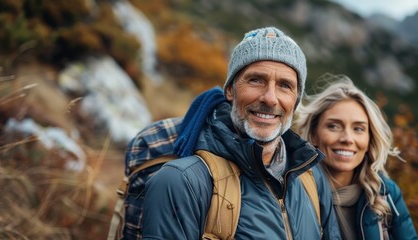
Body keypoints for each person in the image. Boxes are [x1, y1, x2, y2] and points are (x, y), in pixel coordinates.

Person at [141, 26, 342, 239]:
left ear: (296, 101)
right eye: (256, 80)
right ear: (230, 90)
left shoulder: (311, 177)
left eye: (285, 85)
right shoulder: (181, 182)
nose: (270, 98)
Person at [294, 74, 417, 239]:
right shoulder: (293, 192)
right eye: (334, 126)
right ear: (314, 135)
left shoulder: (386, 194)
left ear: (369, 139)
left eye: (358, 129)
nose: (347, 139)